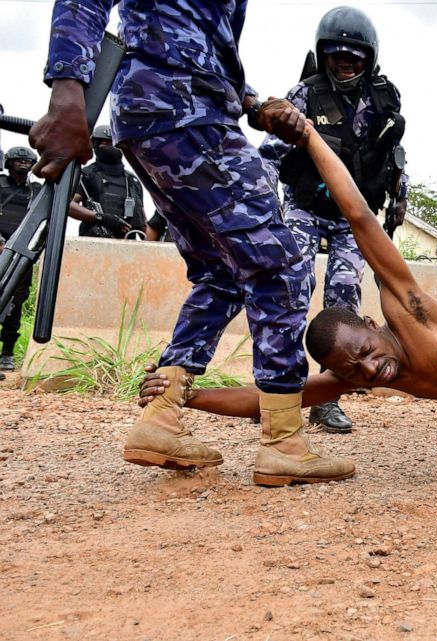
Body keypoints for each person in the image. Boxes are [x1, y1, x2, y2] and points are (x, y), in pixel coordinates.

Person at [31, 0, 353, 486]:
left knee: (222, 273)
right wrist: (68, 92)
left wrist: (252, 104)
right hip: (182, 113)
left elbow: (201, 42)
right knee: (283, 266)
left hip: (163, 112)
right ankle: (284, 442)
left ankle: (160, 418)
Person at [138, 126, 437, 428]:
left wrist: (309, 136)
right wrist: (184, 395)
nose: (370, 369)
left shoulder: (411, 316)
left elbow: (360, 216)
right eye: (354, 369)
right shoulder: (356, 374)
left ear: (371, 325)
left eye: (365, 352)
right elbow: (269, 401)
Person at [260, 6, 408, 435]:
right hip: (306, 209)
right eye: (336, 57)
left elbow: (394, 152)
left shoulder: (385, 96)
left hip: (352, 218)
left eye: (354, 58)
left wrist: (400, 194)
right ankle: (283, 392)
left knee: (343, 307)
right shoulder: (304, 94)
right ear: (323, 56)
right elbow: (270, 153)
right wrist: (265, 207)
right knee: (291, 293)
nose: (345, 65)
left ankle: (328, 400)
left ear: (369, 59)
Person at [0, 147, 42, 372]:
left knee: (15, 303)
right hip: (0, 248)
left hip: (22, 253)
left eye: (28, 160)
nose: (24, 164)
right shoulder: (1, 184)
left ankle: (7, 352)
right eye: (19, 160)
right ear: (9, 163)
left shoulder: (37, 190)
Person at [69, 125, 146, 239]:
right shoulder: (87, 175)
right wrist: (101, 217)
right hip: (94, 245)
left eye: (113, 143)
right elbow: (68, 206)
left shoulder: (132, 179)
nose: (110, 147)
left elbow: (143, 220)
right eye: (104, 143)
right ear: (95, 145)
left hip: (129, 247)